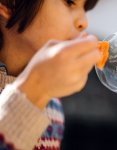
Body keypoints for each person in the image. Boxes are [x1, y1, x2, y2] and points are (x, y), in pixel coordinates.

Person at [0, 0, 100, 149]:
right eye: (70, 2)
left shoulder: (53, 105)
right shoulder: (43, 92)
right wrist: (35, 91)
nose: (84, 22)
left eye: (85, 9)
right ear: (10, 4)